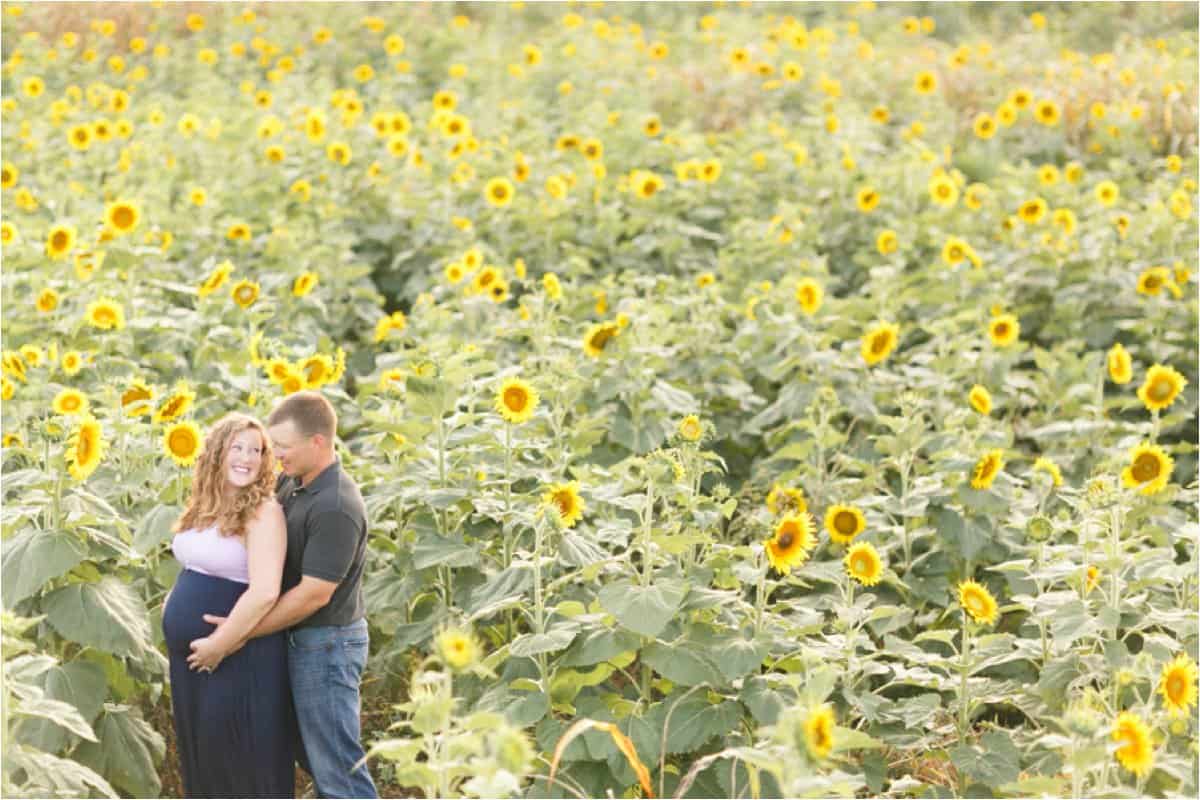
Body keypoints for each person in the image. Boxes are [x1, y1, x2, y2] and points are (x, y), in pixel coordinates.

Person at [201, 391, 377, 799]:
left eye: (283, 446)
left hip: (327, 645)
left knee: (337, 765)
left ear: (317, 442)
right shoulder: (295, 483)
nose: (275, 454)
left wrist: (242, 631)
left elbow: (313, 595)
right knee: (315, 757)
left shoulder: (334, 505)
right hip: (302, 641)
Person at [161, 413, 294, 798]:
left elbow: (266, 591)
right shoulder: (206, 504)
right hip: (193, 660)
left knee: (240, 762)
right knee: (203, 761)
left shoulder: (263, 512)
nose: (247, 457)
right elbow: (195, 564)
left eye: (256, 450)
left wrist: (220, 644)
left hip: (238, 655)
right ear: (217, 453)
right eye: (237, 447)